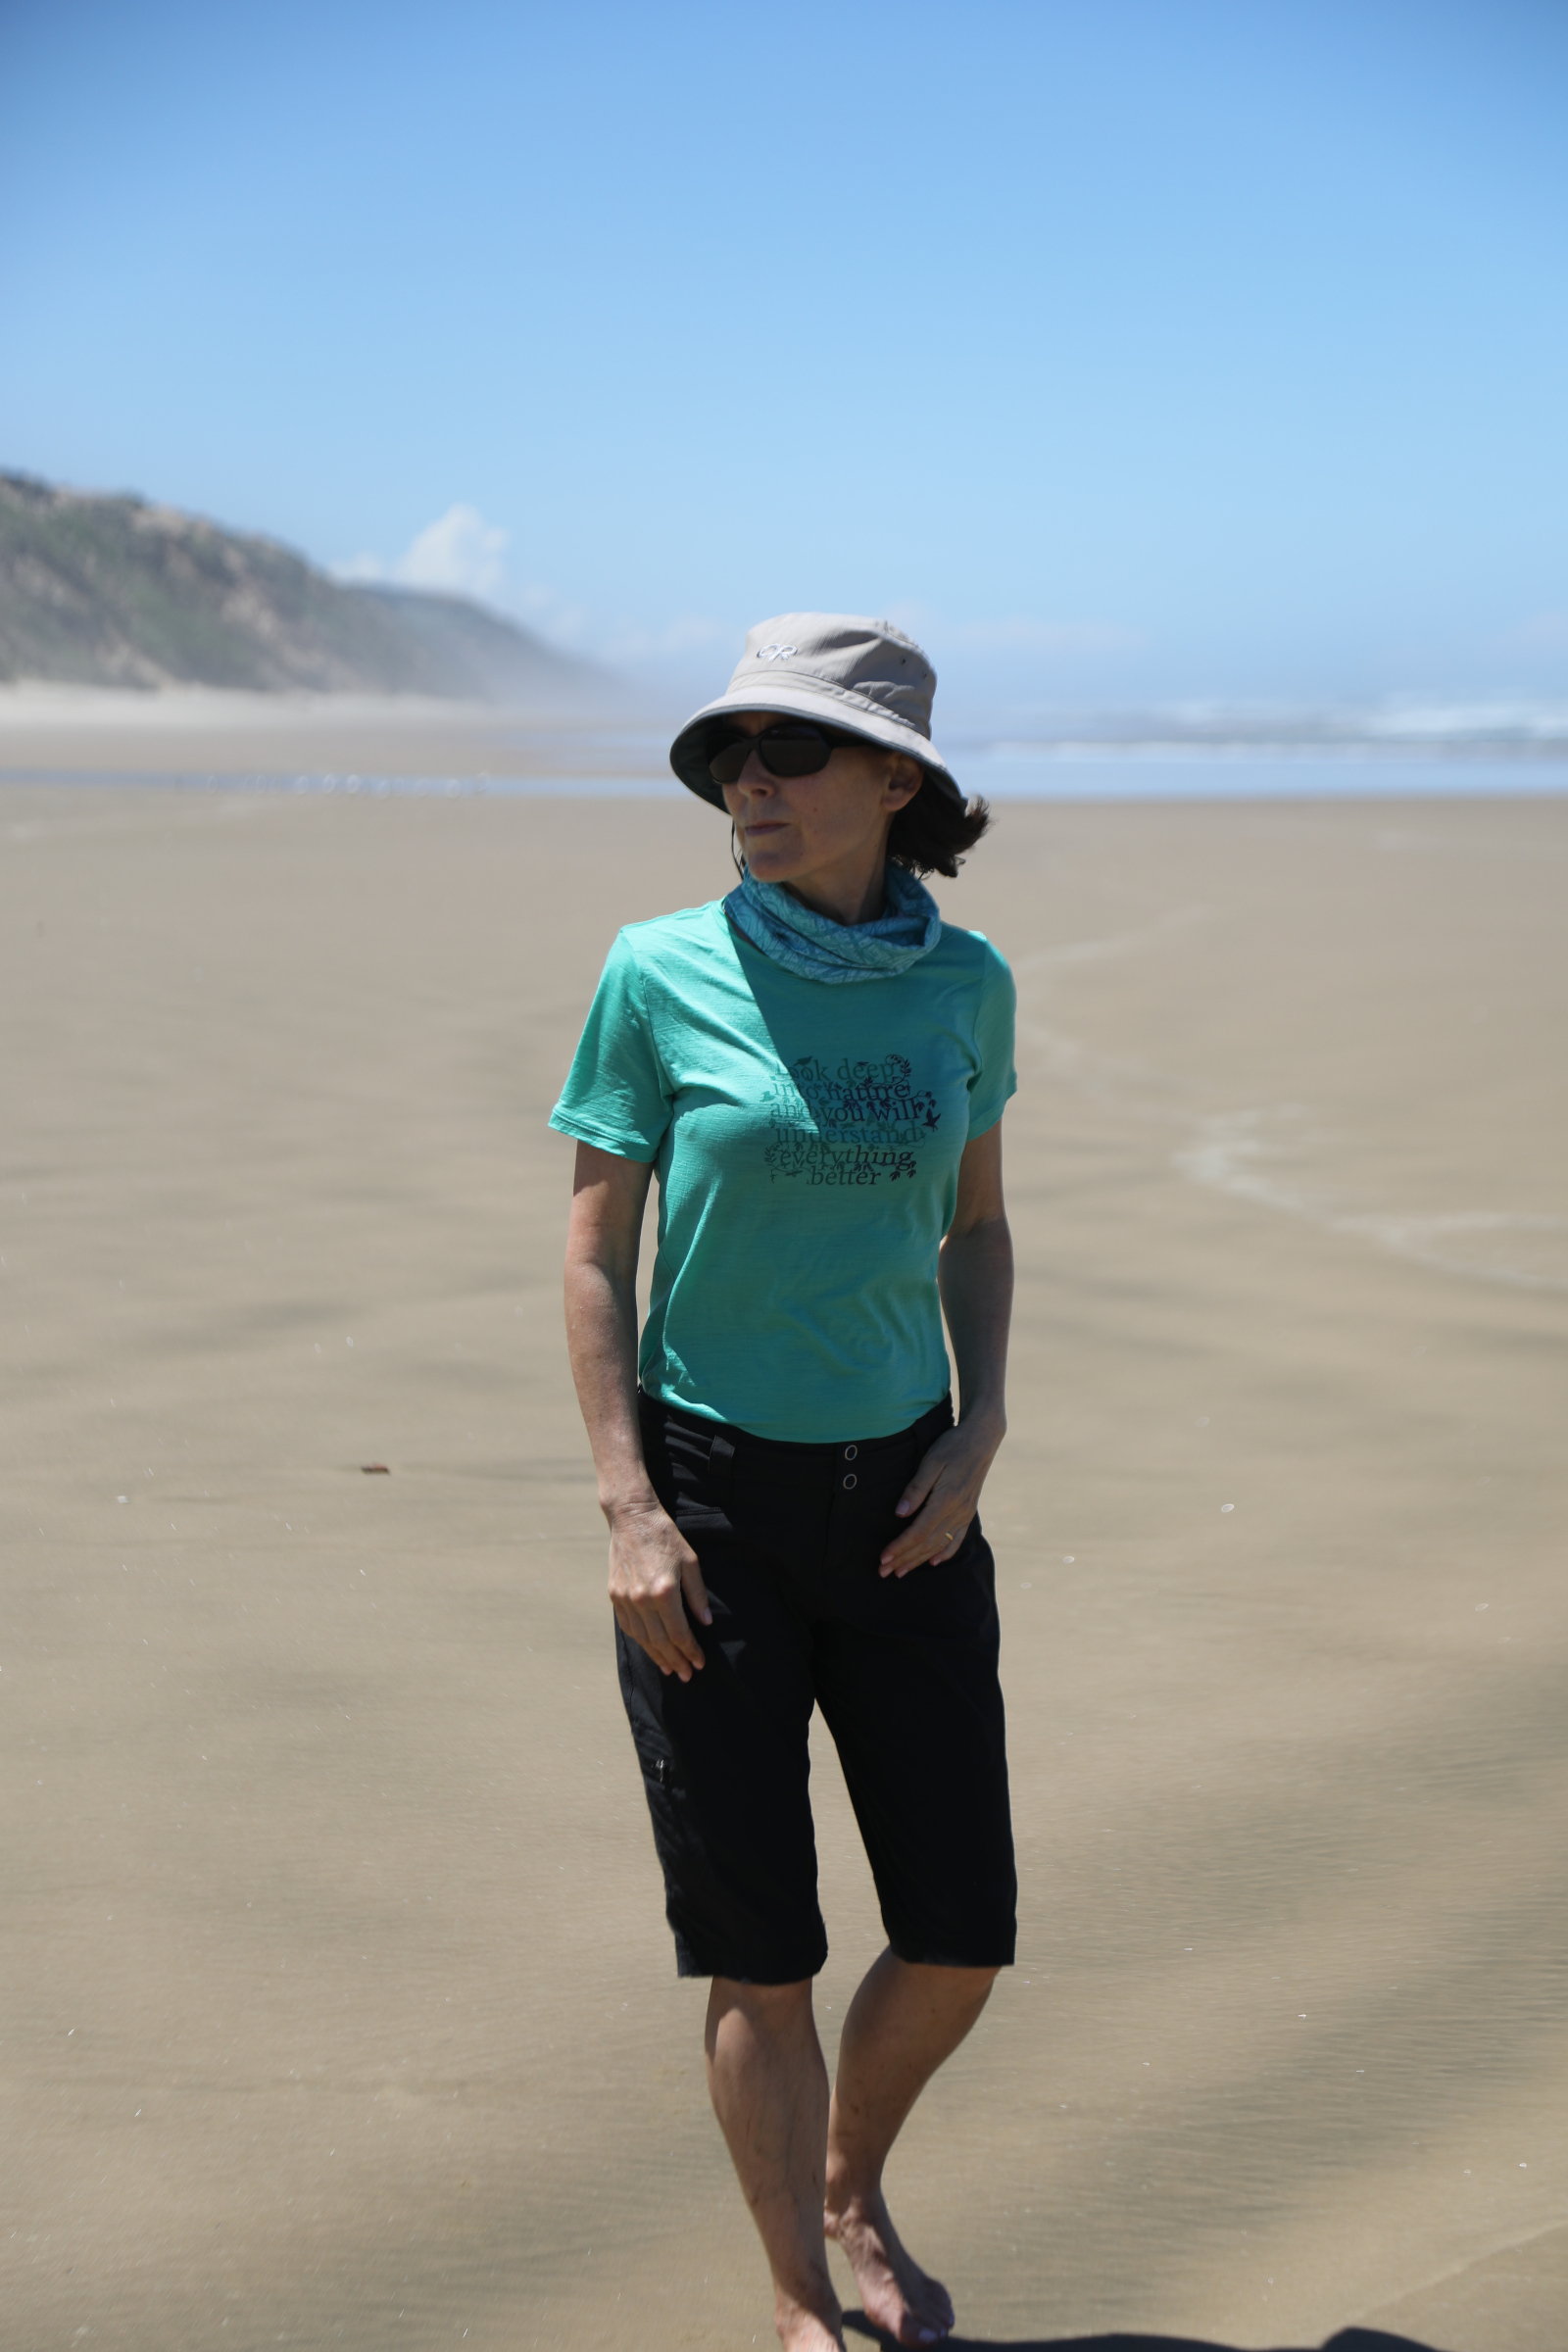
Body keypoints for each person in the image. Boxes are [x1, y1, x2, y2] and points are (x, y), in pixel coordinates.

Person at [551, 613, 1017, 2352]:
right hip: (711, 1509)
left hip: (911, 1502)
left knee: (961, 1933)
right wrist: (630, 1508)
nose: (749, 781)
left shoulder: (968, 985)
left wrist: (980, 1427)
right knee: (762, 1951)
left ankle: (848, 2179)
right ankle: (798, 2296)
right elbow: (594, 1255)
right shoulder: (656, 970)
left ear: (896, 781)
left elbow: (977, 1228)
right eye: (730, 756)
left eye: (792, 749)